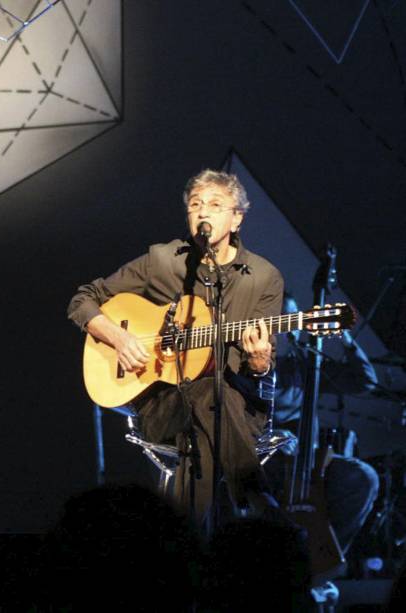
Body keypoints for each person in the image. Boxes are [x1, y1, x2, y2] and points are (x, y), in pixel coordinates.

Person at [68, 169, 283, 524]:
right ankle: (261, 504)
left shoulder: (263, 277)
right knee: (203, 396)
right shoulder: (163, 262)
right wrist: (119, 337)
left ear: (237, 218)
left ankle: (188, 549)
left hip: (238, 409)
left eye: (215, 205)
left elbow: (259, 368)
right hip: (161, 403)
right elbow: (83, 301)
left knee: (208, 400)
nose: (203, 212)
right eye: (195, 205)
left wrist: (260, 360)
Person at [265, 292, 379, 555]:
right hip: (262, 460)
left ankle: (325, 559)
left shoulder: (305, 364)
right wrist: (271, 435)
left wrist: (343, 336)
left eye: (295, 321)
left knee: (363, 478)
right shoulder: (240, 365)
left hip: (307, 463)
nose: (291, 329)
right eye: (284, 321)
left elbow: (365, 381)